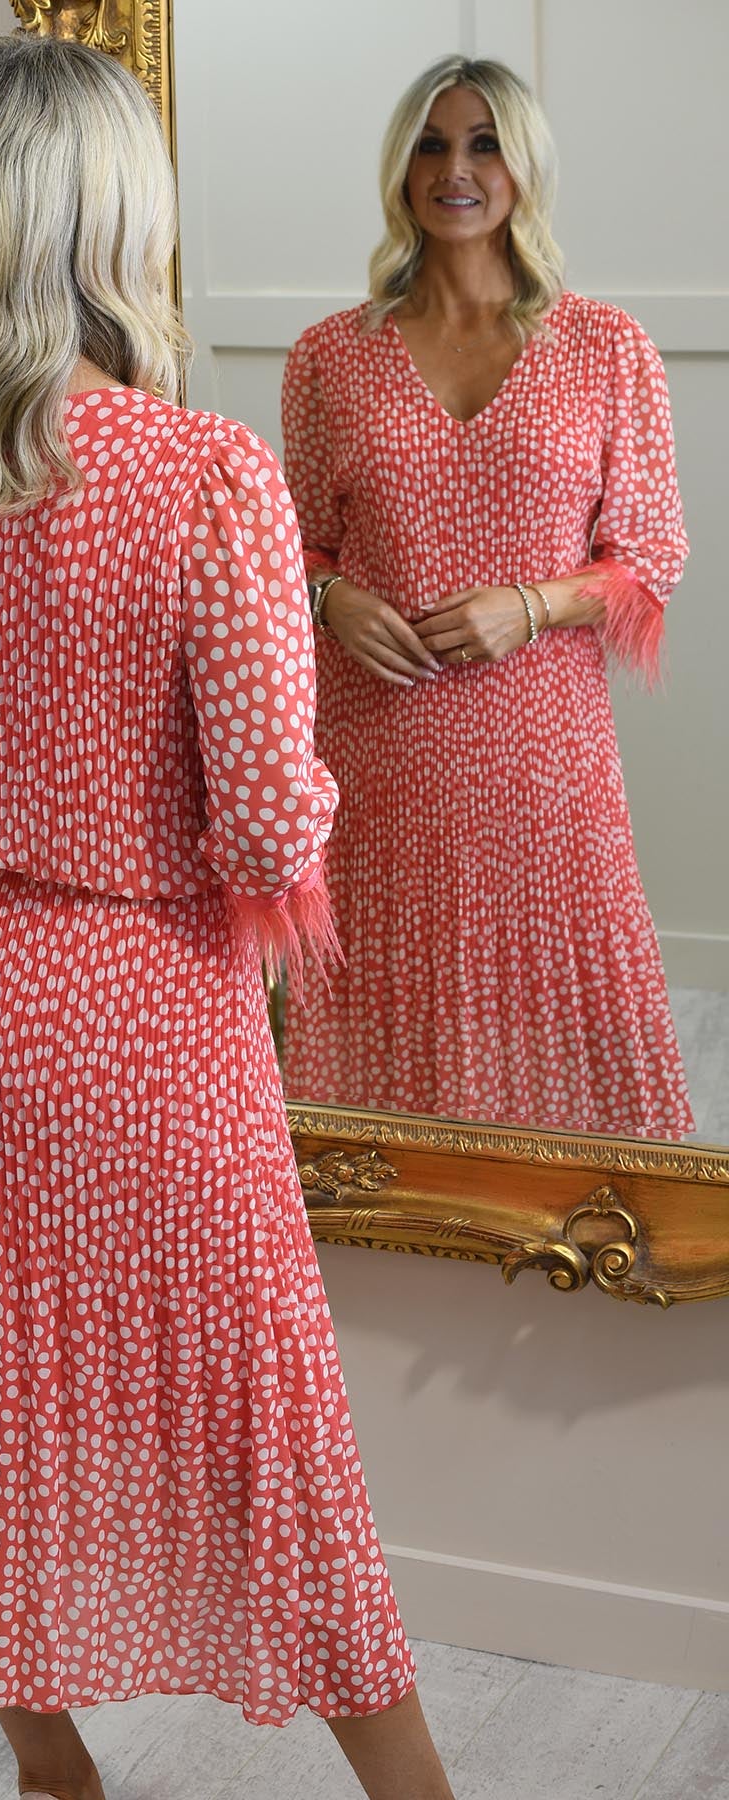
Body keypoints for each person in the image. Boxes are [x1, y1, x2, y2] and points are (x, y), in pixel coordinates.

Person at [0, 32, 455, 1800]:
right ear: (117, 221)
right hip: (147, 1026)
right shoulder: (203, 473)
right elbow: (267, 819)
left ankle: (53, 1773)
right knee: (264, 1435)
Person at [281, 54, 693, 1139]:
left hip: (546, 757)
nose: (453, 170)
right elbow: (294, 546)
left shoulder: (607, 348)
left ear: (523, 166)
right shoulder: (328, 358)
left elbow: (650, 554)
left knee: (568, 1015)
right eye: (430, 145)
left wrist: (531, 605)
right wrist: (332, 600)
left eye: (482, 144)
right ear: (399, 168)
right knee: (378, 1022)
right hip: (378, 748)